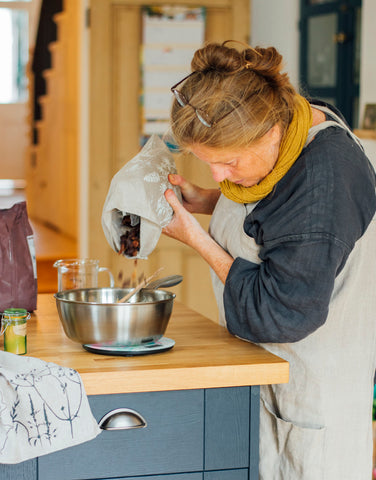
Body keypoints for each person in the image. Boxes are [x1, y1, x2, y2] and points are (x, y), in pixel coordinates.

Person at [162, 40, 376, 479]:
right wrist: (206, 201)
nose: (219, 175)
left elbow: (281, 308)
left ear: (269, 133)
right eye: (208, 163)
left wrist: (196, 240)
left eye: (227, 162)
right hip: (273, 381)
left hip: (310, 399)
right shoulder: (294, 118)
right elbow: (275, 219)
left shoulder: (325, 178)